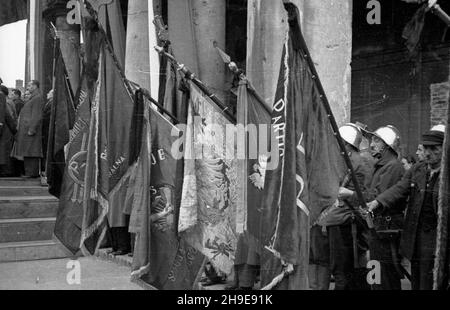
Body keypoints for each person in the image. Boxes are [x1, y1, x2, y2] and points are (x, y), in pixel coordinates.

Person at [367, 125, 446, 290]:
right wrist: (377, 202)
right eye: (426, 148)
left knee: (431, 280)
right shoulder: (419, 169)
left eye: (434, 149)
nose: (428, 153)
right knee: (417, 279)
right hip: (416, 237)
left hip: (438, 238)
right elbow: (400, 188)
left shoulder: (446, 173)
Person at [340, 125, 407, 290]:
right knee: (376, 277)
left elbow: (375, 198)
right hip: (377, 230)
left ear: (387, 144)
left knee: (385, 278)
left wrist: (350, 194)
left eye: (377, 140)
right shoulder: (381, 166)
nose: (371, 143)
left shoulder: (393, 166)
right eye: (372, 139)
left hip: (386, 230)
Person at [324, 124, 373, 290]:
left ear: (345, 143)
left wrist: (348, 194)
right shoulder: (345, 160)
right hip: (337, 219)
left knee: (342, 272)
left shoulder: (357, 162)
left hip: (345, 221)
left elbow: (364, 196)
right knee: (341, 270)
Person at [13, 80, 44, 178]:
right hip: (26, 131)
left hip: (30, 131)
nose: (28, 87)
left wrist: (32, 129)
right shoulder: (33, 98)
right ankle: (29, 172)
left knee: (32, 151)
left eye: (30, 85)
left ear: (35, 86)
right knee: (28, 151)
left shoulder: (37, 98)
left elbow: (36, 115)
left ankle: (31, 173)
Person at [0, 88, 17, 175]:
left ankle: (7, 171)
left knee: (4, 152)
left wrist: (14, 129)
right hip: (6, 129)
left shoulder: (6, 101)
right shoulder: (8, 101)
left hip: (5, 130)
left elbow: (8, 115)